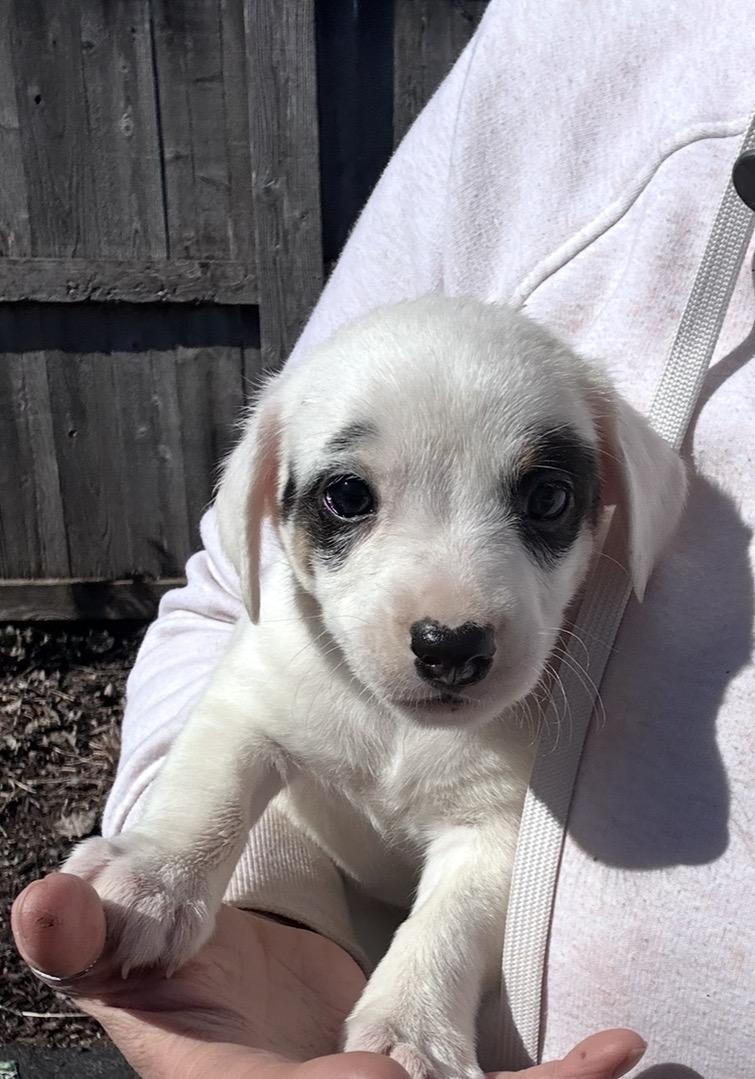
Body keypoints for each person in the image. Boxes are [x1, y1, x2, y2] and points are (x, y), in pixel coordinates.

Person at [13, 1, 755, 1075]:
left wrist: (418, 988)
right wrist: (176, 861)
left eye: (540, 503)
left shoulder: (563, 613)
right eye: (350, 501)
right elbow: (243, 715)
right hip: (296, 962)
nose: (452, 616)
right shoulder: (576, 42)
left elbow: (488, 841)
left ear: (624, 502)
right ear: (267, 497)